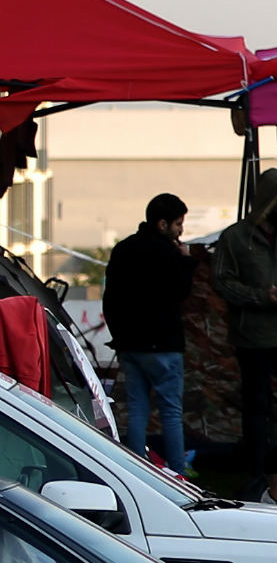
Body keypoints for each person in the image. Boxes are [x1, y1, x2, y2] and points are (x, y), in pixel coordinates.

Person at [210, 169, 277, 490]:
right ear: (270, 201)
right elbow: (222, 282)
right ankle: (261, 473)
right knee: (258, 409)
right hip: (253, 337)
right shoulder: (235, 238)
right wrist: (262, 298)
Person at [102, 193, 189, 468]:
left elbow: (110, 298)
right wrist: (187, 262)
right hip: (164, 346)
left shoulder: (124, 249)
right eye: (178, 223)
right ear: (162, 224)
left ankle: (137, 468)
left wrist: (118, 336)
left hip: (130, 345)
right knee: (171, 412)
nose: (181, 230)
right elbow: (181, 292)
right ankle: (177, 471)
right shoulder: (169, 254)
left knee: (137, 409)